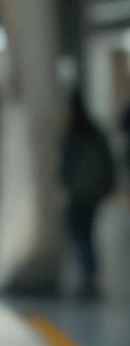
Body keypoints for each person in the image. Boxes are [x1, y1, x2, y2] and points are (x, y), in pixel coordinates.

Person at [60, 91, 115, 299]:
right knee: (88, 234)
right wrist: (107, 186)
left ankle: (88, 275)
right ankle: (90, 275)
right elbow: (108, 161)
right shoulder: (95, 131)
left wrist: (65, 184)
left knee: (80, 235)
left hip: (77, 193)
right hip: (93, 192)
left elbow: (64, 168)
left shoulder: (70, 134)